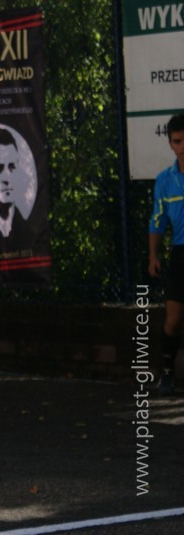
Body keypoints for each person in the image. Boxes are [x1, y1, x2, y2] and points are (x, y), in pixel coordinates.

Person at [149, 113, 184, 396]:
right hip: (180, 253)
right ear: (170, 143)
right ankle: (168, 372)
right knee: (172, 319)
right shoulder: (164, 180)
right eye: (177, 141)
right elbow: (157, 221)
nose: (183, 147)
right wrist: (153, 255)